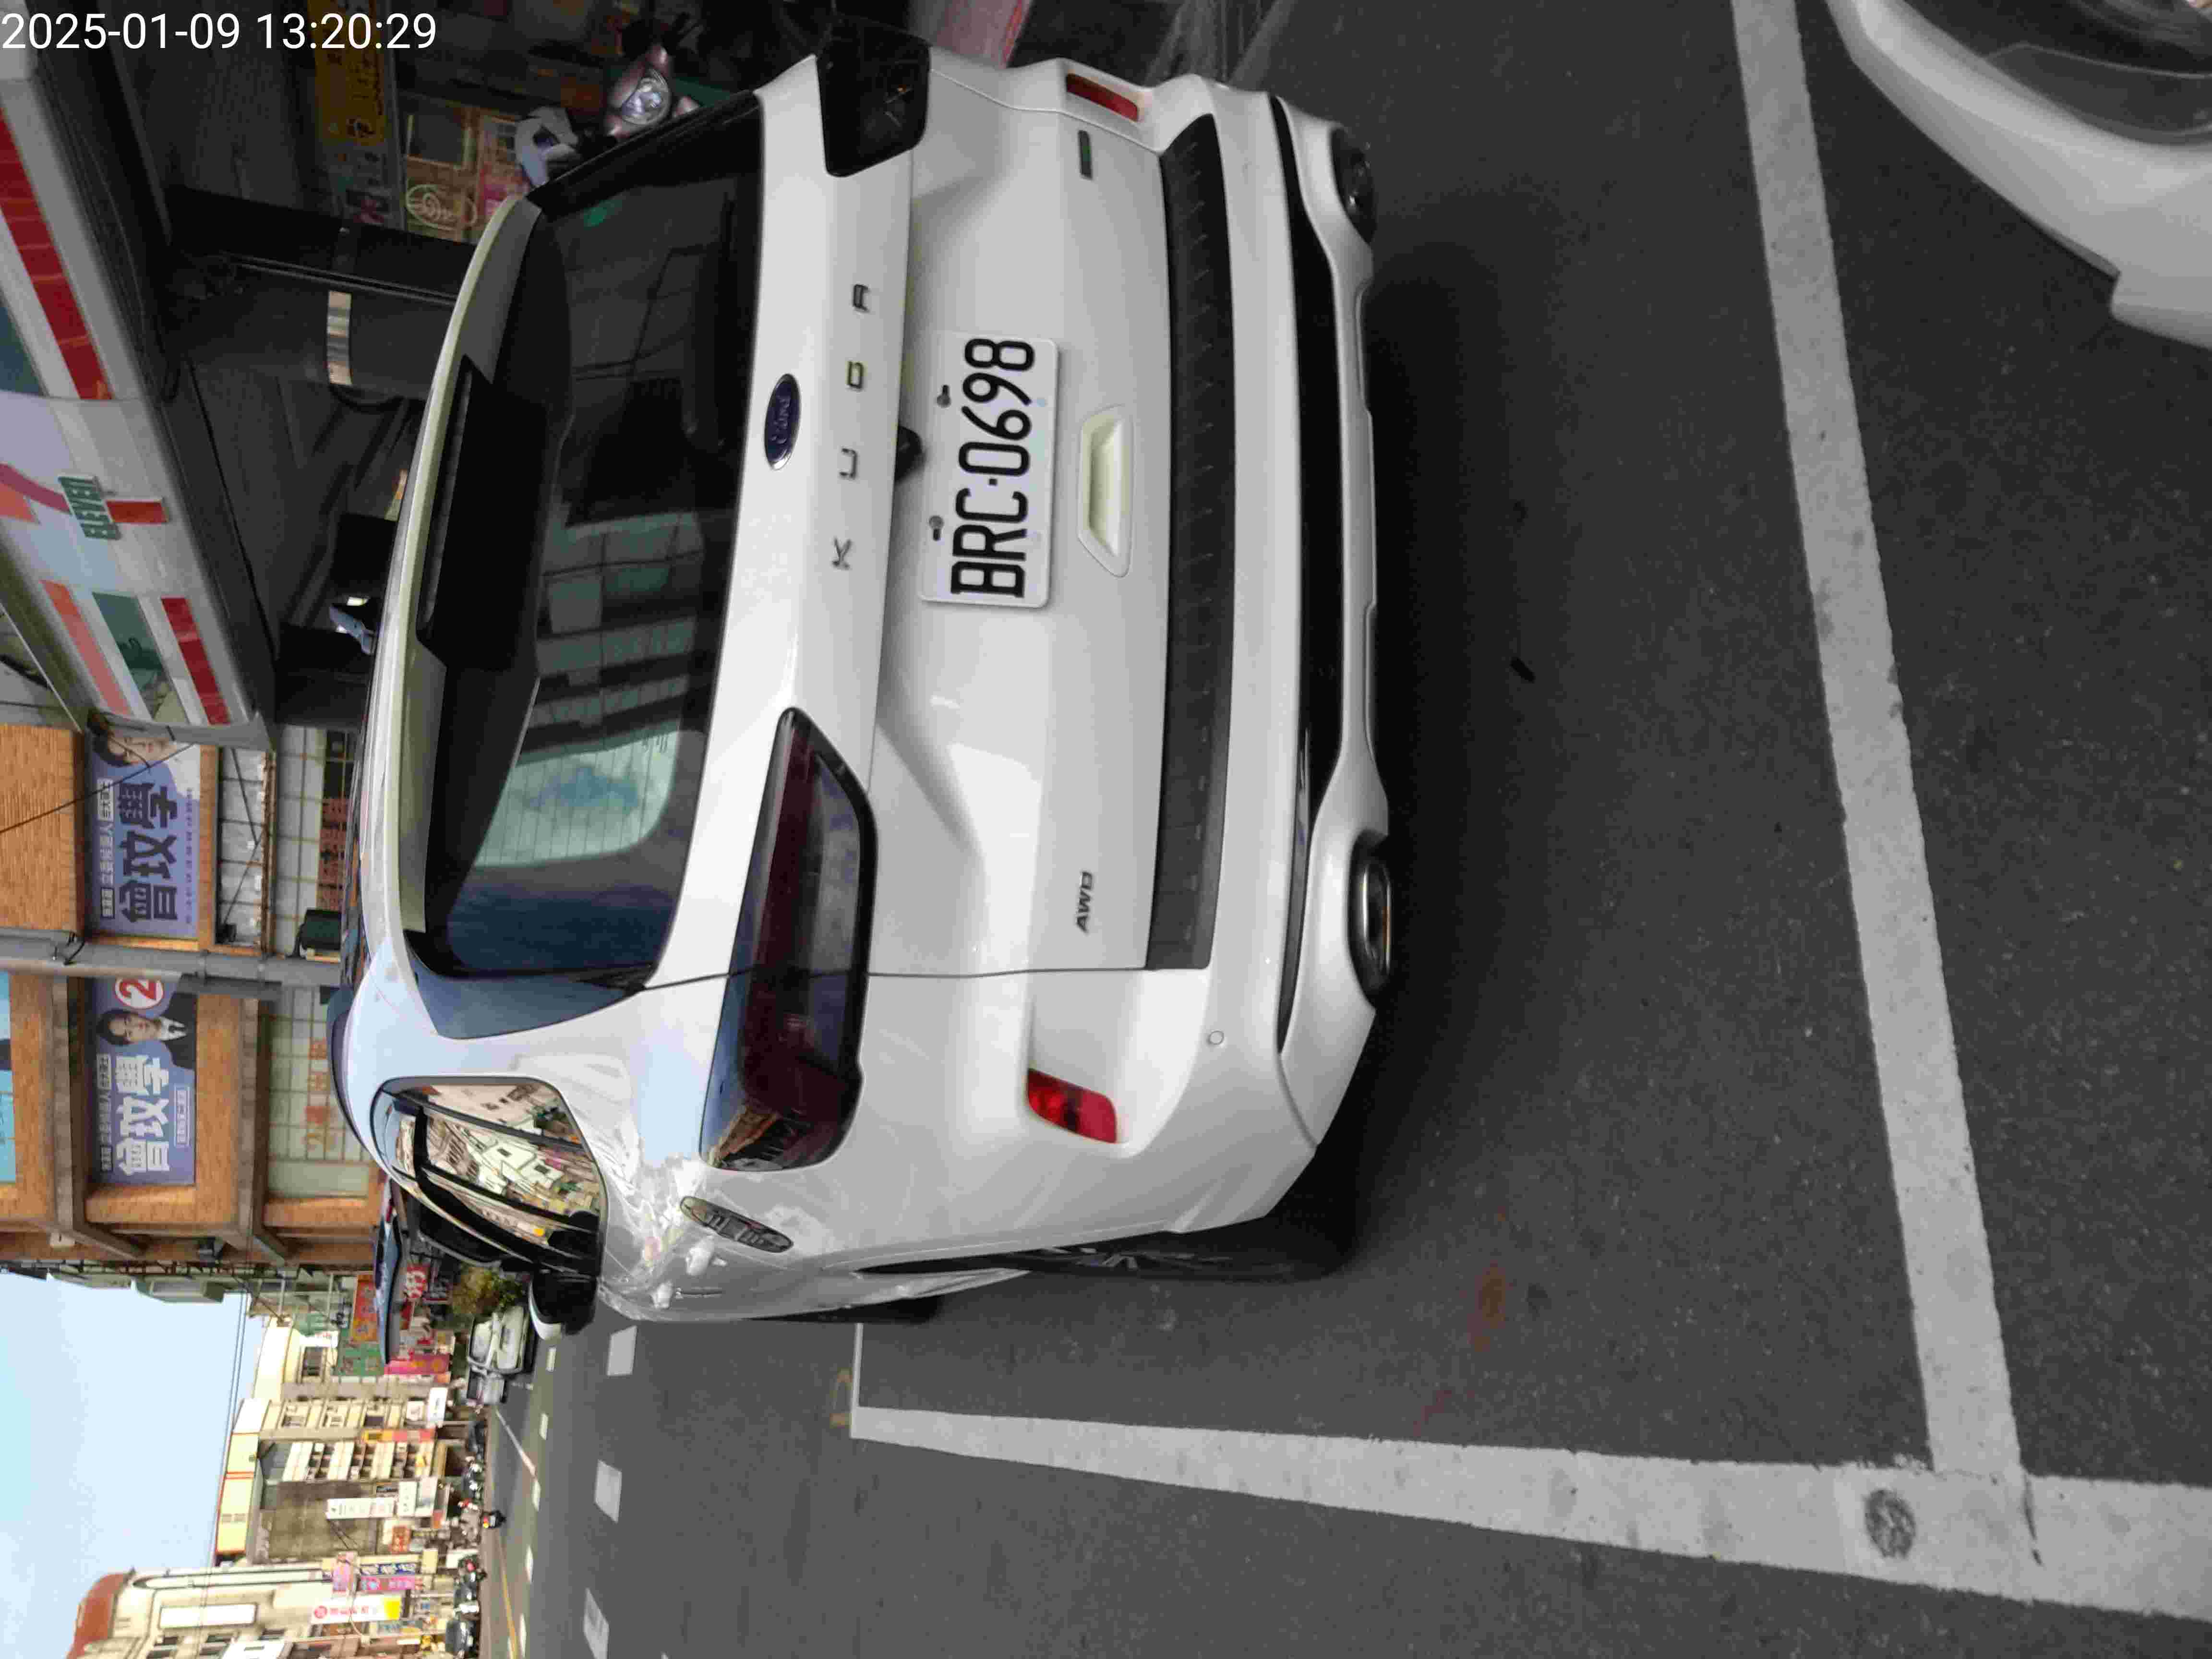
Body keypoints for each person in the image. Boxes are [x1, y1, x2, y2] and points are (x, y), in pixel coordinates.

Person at [95, 995, 198, 1071]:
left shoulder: (181, 997)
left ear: (134, 1013)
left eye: (129, 1021)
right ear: (133, 1042)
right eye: (130, 1033)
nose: (137, 1027)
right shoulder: (181, 1059)